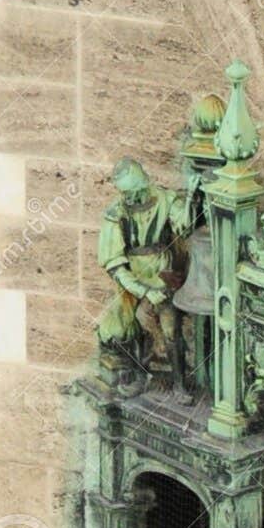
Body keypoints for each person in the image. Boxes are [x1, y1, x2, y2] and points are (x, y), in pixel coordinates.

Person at [96, 157, 188, 388]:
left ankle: (180, 384)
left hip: (162, 273)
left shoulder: (165, 199)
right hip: (132, 275)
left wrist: (191, 201)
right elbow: (115, 266)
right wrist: (145, 291)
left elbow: (184, 224)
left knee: (171, 329)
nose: (132, 198)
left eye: (136, 192)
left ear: (145, 184)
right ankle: (133, 371)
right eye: (126, 193)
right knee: (117, 327)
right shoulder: (116, 213)